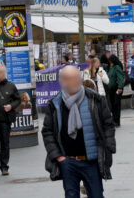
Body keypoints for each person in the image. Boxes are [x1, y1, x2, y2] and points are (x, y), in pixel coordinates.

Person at [42, 66, 116, 198]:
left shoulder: (95, 99)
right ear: (62, 81)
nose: (76, 81)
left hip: (91, 161)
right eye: (71, 79)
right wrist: (59, 157)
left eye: (77, 77)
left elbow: (108, 125)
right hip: (68, 162)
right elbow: (47, 132)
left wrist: (108, 148)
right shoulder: (55, 104)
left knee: (97, 195)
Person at [107, 55, 124, 127]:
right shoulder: (111, 67)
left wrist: (120, 87)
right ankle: (114, 119)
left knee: (116, 104)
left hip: (117, 88)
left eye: (110, 60)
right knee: (113, 105)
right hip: (111, 89)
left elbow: (120, 78)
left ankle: (117, 121)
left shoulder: (117, 67)